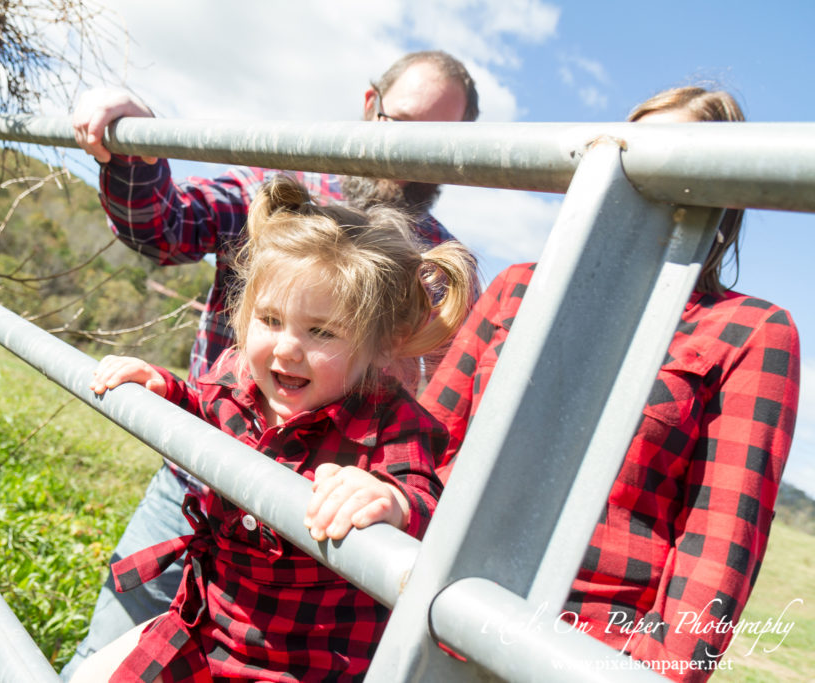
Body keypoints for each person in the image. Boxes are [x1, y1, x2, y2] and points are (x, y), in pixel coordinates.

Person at [63, 50, 480, 677]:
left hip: (304, 557)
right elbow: (163, 225)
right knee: (110, 654)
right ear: (371, 107)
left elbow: (426, 460)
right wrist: (135, 150)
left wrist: (391, 499)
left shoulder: (433, 268)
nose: (414, 154)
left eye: (438, 141)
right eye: (406, 124)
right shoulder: (282, 194)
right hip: (197, 483)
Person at [419, 87, 800, 681]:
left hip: (583, 645)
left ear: (724, 191)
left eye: (668, 158)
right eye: (628, 153)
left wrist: (649, 673)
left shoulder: (751, 331)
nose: (638, 177)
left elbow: (721, 542)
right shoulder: (520, 287)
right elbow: (426, 441)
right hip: (434, 597)